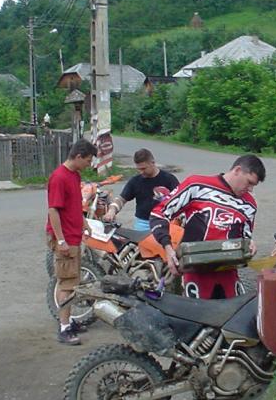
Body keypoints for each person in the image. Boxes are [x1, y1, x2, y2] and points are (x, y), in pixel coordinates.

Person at [149, 154, 265, 400]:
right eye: (248, 182)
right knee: (194, 343)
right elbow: (159, 213)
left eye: (253, 186)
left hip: (228, 278)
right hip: (194, 277)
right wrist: (167, 249)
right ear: (237, 170)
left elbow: (245, 238)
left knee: (234, 340)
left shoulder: (249, 203)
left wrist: (251, 246)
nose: (249, 189)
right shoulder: (197, 185)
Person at [46, 139, 98, 345]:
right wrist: (61, 240)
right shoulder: (58, 178)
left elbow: (74, 204)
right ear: (77, 156)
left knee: (70, 281)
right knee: (67, 284)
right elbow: (53, 210)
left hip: (73, 235)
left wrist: (84, 222)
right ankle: (64, 327)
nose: (88, 164)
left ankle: (68, 321)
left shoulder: (74, 176)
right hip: (65, 238)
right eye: (87, 160)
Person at [102, 148, 179, 231]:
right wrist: (111, 211)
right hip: (142, 224)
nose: (141, 172)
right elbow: (121, 199)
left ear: (152, 163)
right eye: (139, 169)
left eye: (143, 168)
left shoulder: (169, 179)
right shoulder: (135, 181)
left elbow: (182, 200)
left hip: (165, 222)